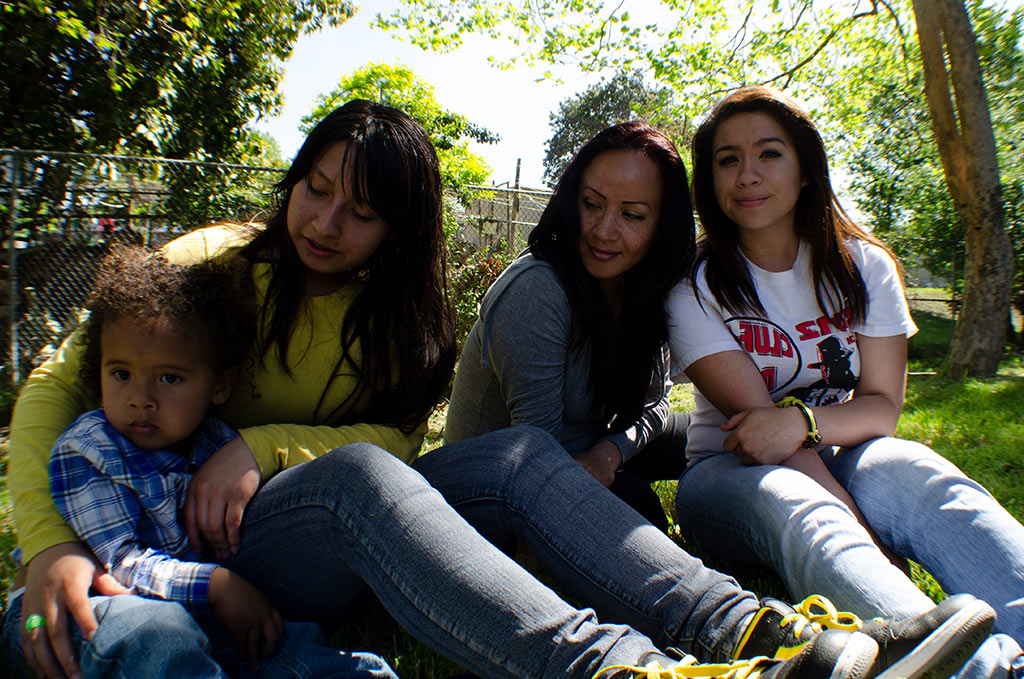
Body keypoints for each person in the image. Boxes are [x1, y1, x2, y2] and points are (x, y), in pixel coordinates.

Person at [0, 98, 991, 679]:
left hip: (306, 514)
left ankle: (758, 632)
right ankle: (621, 671)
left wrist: (258, 447)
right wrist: (48, 548)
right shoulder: (221, 260)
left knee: (519, 460)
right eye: (315, 189)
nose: (328, 222)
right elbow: (63, 381)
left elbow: (399, 436)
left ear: (399, 228)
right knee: (371, 471)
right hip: (201, 536)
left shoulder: (402, 312)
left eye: (362, 210)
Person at [667, 84, 1024, 679]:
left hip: (839, 449)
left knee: (917, 470)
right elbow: (762, 440)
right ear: (711, 181)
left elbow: (881, 408)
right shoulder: (694, 285)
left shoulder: (863, 266)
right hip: (727, 478)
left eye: (769, 153)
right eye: (727, 160)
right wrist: (858, 523)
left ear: (806, 167)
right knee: (801, 503)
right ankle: (974, 671)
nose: (747, 174)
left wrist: (804, 420)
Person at [47, 246, 397, 678]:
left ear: (220, 385)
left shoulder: (213, 442)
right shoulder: (87, 450)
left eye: (169, 378)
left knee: (300, 647)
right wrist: (217, 585)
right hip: (102, 613)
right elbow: (119, 564)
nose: (140, 397)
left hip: (204, 615)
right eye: (120, 373)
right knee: (163, 639)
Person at [445, 120, 692, 531]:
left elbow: (655, 403)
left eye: (632, 215)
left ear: (661, 227)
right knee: (639, 509)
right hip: (493, 487)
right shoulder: (538, 289)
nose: (603, 230)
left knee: (704, 437)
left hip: (585, 453)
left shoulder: (644, 291)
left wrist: (608, 455)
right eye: (591, 204)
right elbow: (533, 452)